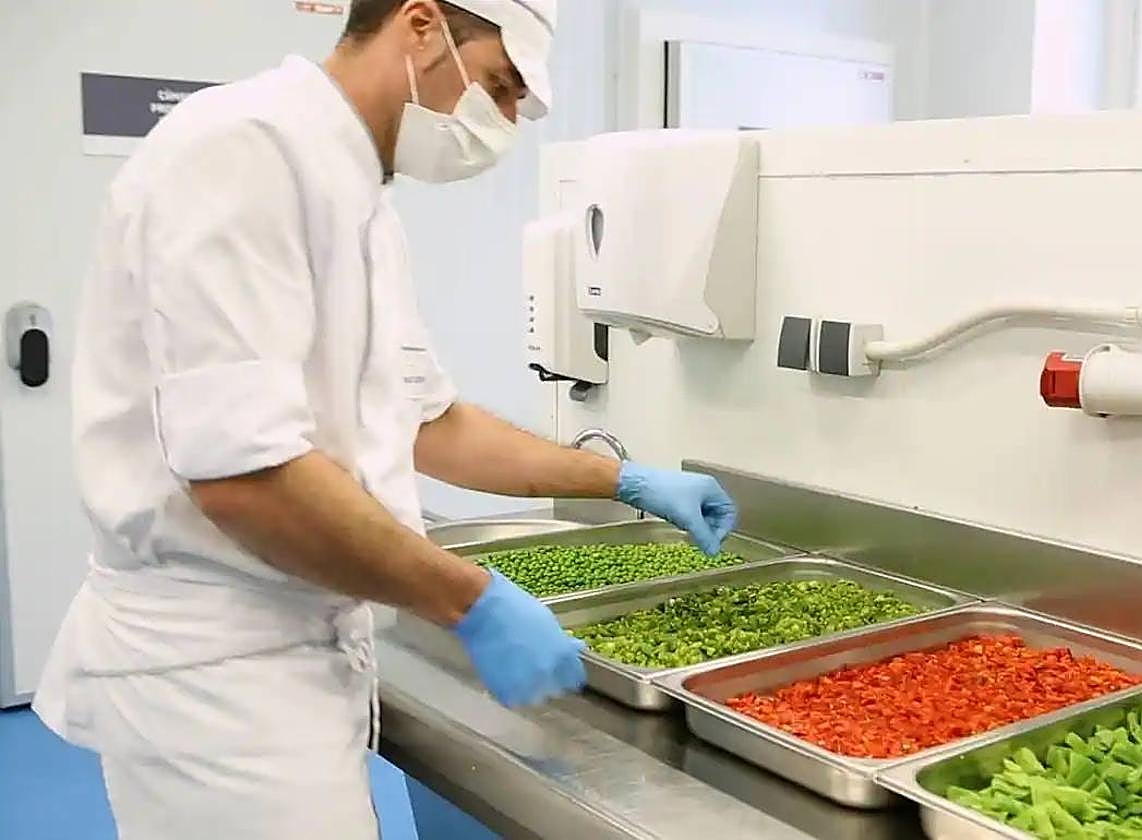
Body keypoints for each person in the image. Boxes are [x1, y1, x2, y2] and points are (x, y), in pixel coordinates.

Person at [33, 1, 739, 838]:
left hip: (302, 645)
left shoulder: (364, 200)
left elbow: (428, 424)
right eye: (500, 86)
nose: (505, 123)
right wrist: (469, 600)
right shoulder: (239, 151)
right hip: (215, 679)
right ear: (419, 26)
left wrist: (623, 479)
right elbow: (244, 479)